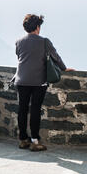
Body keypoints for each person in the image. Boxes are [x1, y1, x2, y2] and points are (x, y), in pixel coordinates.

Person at [12, 14, 74, 151]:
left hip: (21, 80)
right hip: (38, 81)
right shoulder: (44, 41)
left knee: (22, 110)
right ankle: (35, 141)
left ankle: (23, 139)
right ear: (38, 27)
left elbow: (19, 56)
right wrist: (64, 68)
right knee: (35, 110)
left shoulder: (18, 41)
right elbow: (55, 57)